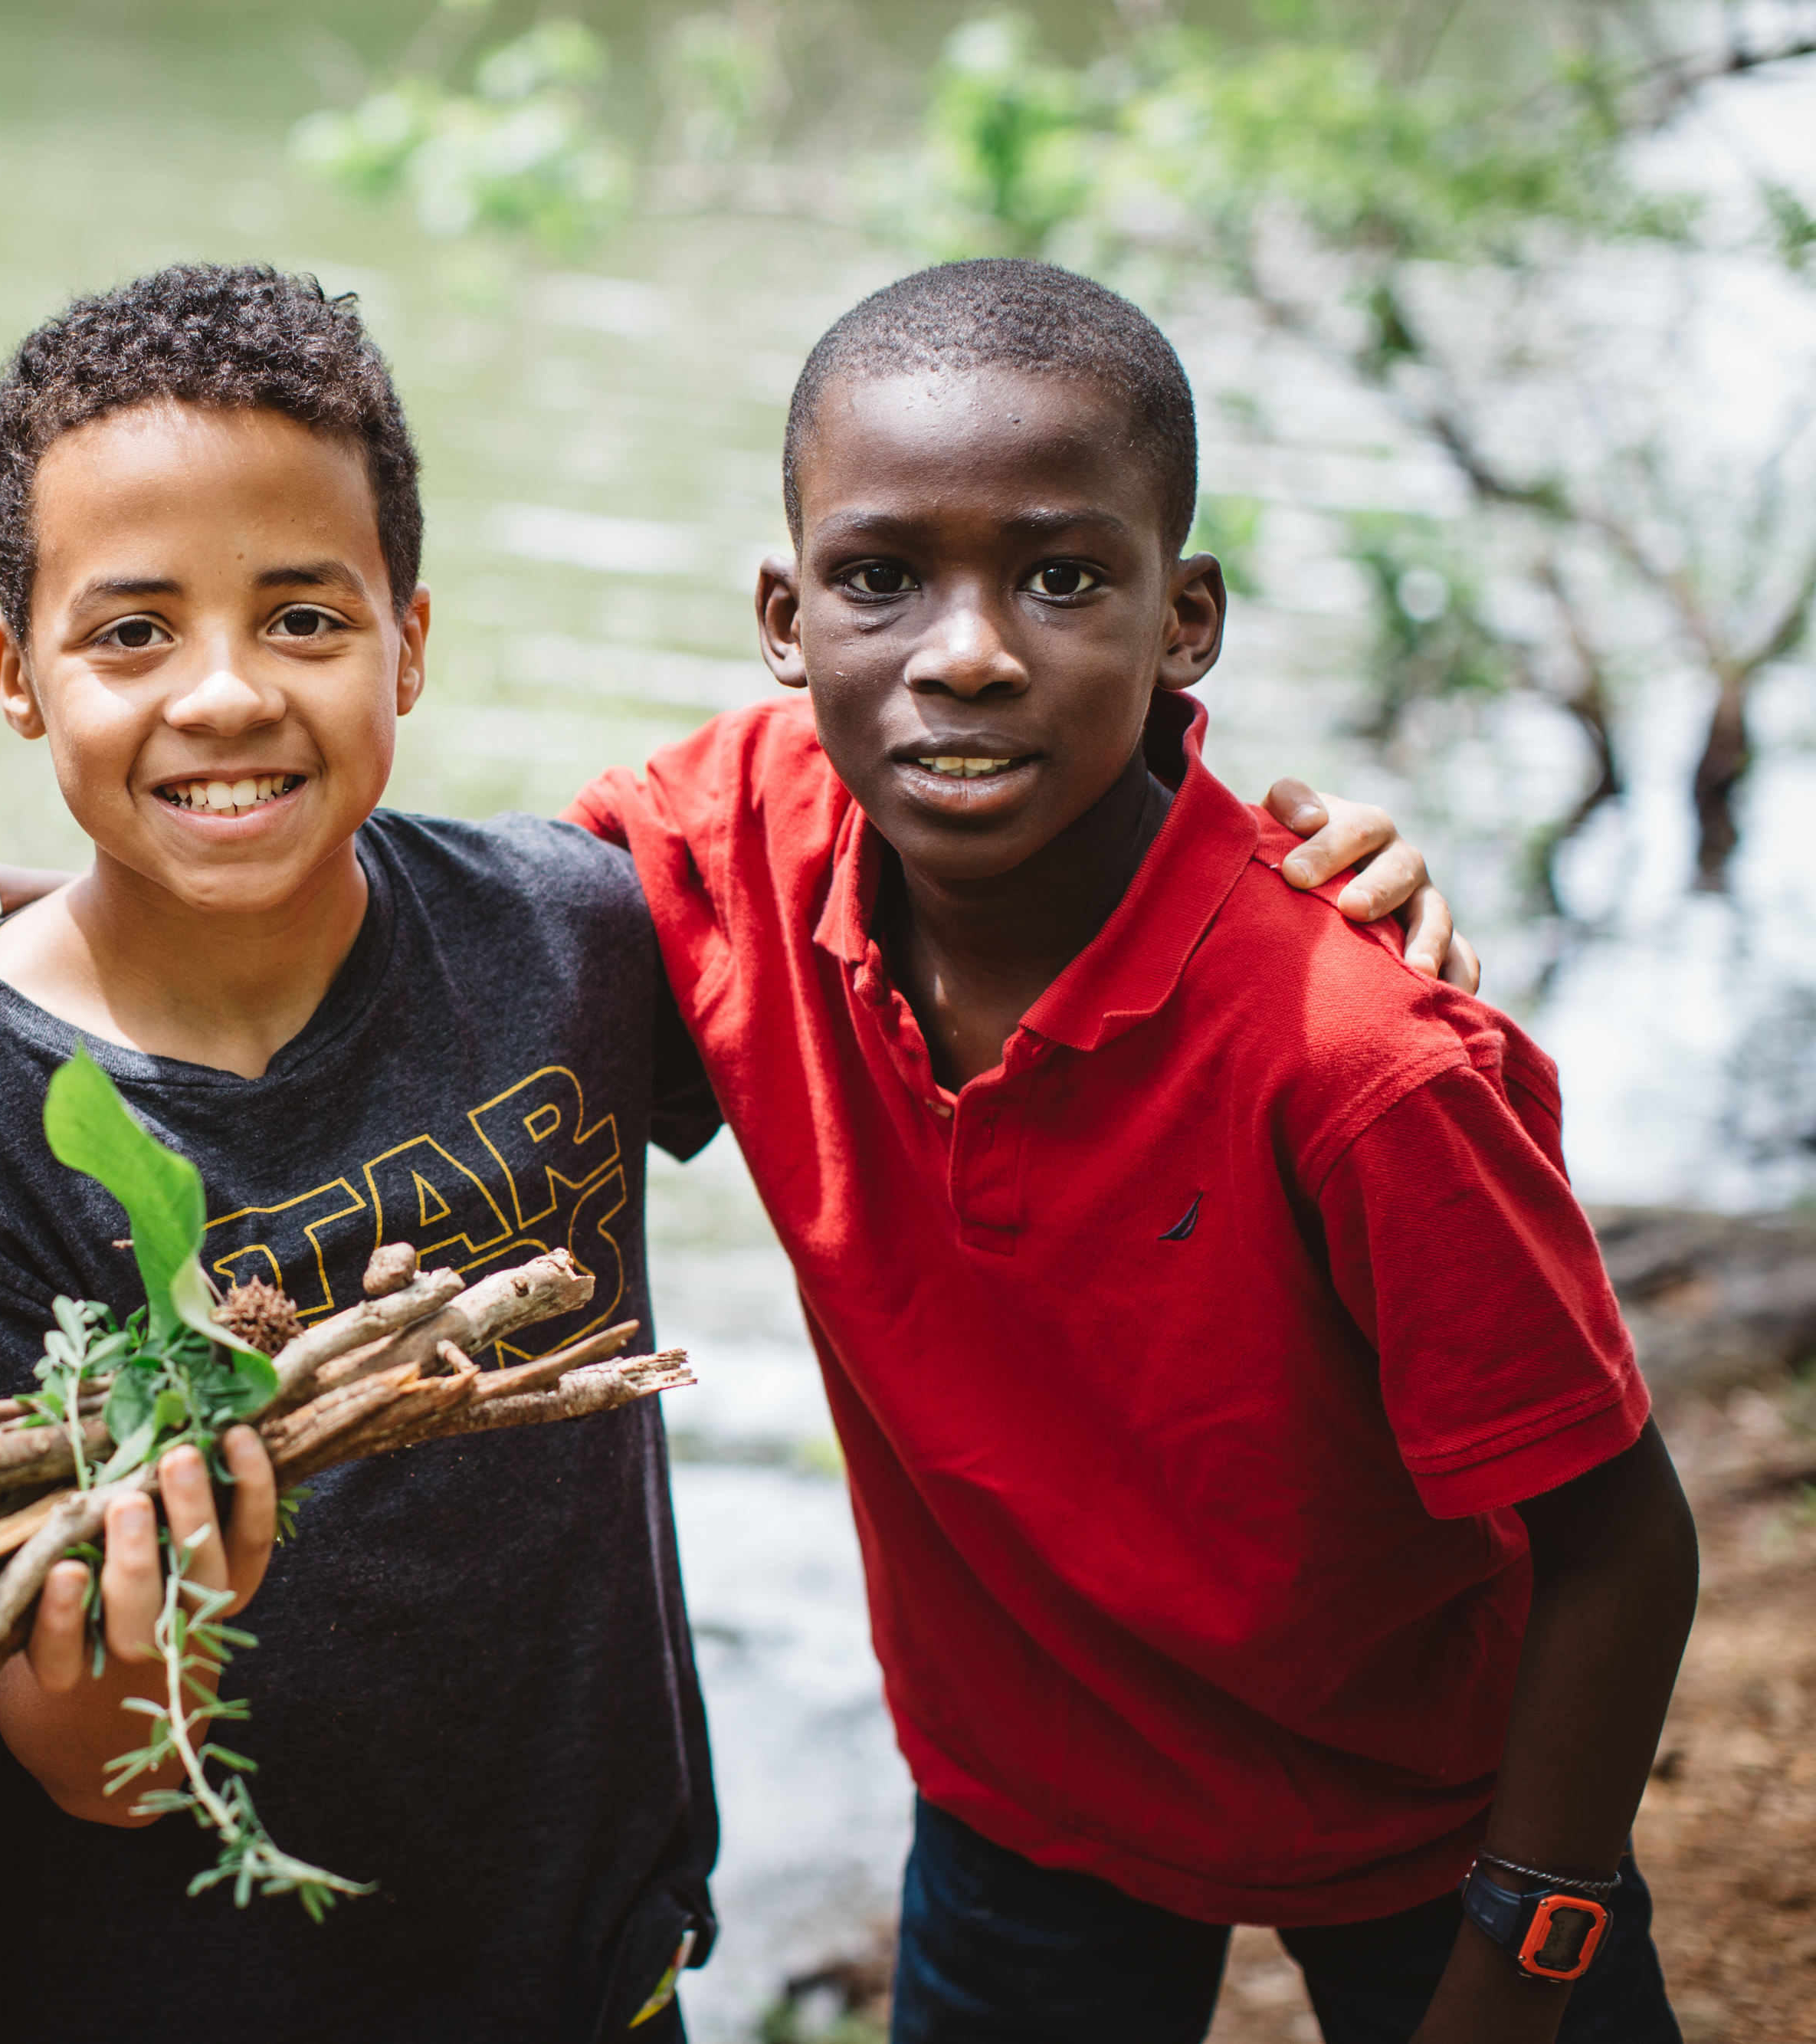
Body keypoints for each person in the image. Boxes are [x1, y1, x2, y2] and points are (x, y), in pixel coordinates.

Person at [0, 263, 1470, 2044]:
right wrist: (135, 1658)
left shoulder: (571, 936)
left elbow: (973, 829)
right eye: (131, 632)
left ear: (409, 639)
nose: (222, 694)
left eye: (302, 616)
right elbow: (49, 1742)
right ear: (14, 671)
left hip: (598, 1968)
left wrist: (1294, 899)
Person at [565, 261, 1696, 2042]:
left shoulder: (1356, 1060)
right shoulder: (736, 840)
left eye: (1060, 575)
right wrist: (35, 908)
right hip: (1031, 1787)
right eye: (879, 577)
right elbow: (417, 943)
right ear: (785, 613)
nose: (964, 649)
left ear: (1185, 622)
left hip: (1421, 1799)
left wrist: (1527, 1928)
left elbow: (1620, 1539)